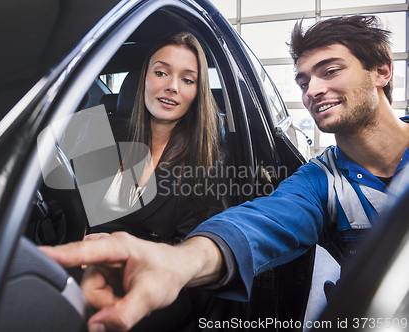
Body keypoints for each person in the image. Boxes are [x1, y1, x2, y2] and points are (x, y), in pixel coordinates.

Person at [39, 15, 409, 332]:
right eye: (302, 82)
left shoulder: (211, 159)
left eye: (329, 71)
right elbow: (257, 225)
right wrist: (177, 262)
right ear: (142, 81)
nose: (312, 90)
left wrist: (173, 260)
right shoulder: (318, 182)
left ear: (382, 70)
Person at [88, 31, 224, 245]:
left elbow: (191, 250)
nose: (173, 87)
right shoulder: (102, 134)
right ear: (144, 79)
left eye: (187, 80)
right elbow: (69, 206)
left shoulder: (207, 161)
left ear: (198, 93)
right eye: (161, 73)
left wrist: (124, 249)